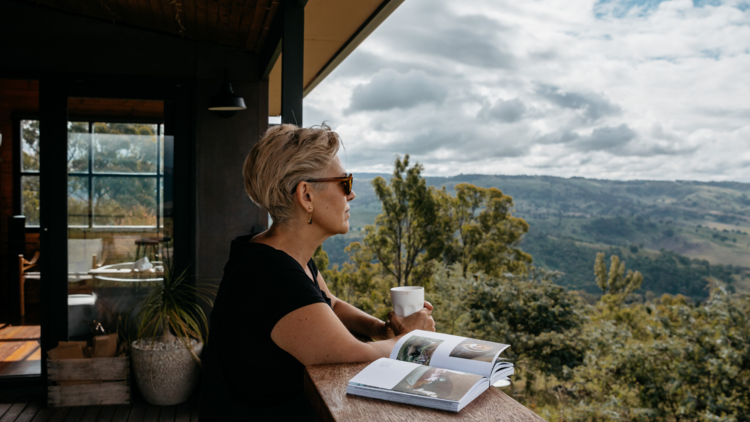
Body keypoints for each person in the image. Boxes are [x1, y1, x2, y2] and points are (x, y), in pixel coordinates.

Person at [199, 124, 436, 421]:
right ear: (306, 196)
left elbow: (329, 303)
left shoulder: (275, 253)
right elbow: (353, 353)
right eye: (345, 183)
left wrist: (379, 329)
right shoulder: (271, 274)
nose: (350, 195)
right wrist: (412, 338)